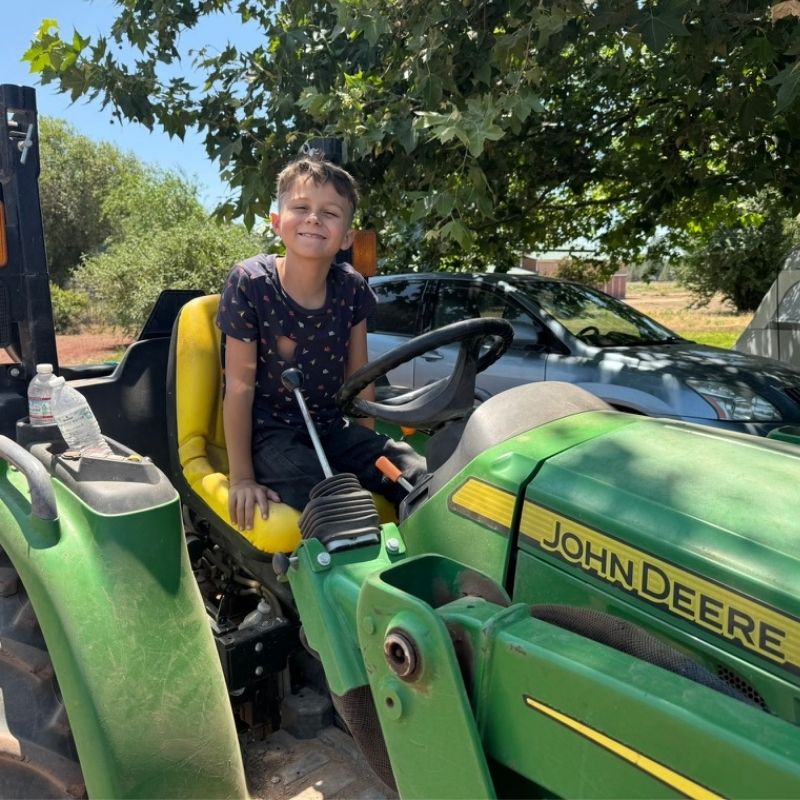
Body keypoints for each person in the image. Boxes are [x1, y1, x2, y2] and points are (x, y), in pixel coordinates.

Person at [216, 156, 427, 530]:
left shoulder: (351, 289)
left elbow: (360, 381)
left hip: (330, 428)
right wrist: (242, 478)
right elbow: (239, 388)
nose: (314, 218)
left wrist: (367, 452)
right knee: (335, 498)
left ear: (347, 236)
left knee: (415, 472)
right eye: (301, 208)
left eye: (330, 212)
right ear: (277, 223)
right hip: (270, 435)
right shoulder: (251, 283)